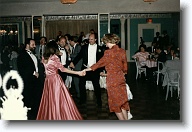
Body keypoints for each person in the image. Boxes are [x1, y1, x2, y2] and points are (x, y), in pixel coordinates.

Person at [84, 33, 130, 120]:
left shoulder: (108, 52)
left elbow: (99, 64)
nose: (105, 44)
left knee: (115, 103)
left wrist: (87, 69)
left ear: (109, 41)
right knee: (123, 102)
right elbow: (125, 67)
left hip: (112, 81)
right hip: (121, 79)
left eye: (105, 42)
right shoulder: (122, 51)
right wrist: (121, 74)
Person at [36, 41, 85, 120]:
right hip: (55, 80)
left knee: (50, 100)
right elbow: (63, 69)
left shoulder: (44, 57)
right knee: (58, 99)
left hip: (48, 80)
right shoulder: (55, 57)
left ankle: (52, 116)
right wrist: (77, 73)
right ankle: (58, 116)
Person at [70, 33, 104, 107]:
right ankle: (82, 99)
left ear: (95, 39)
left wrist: (101, 70)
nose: (90, 41)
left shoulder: (100, 48)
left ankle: (99, 101)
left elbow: (102, 61)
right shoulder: (84, 47)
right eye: (89, 39)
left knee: (96, 86)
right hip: (85, 69)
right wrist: (73, 62)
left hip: (95, 70)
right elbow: (79, 56)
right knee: (81, 84)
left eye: (92, 39)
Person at [17, 38, 45, 120]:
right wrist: (33, 73)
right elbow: (22, 69)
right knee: (29, 100)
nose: (35, 46)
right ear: (27, 45)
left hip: (36, 80)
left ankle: (37, 115)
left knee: (37, 99)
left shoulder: (33, 54)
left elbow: (36, 66)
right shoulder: (22, 55)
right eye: (33, 44)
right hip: (28, 81)